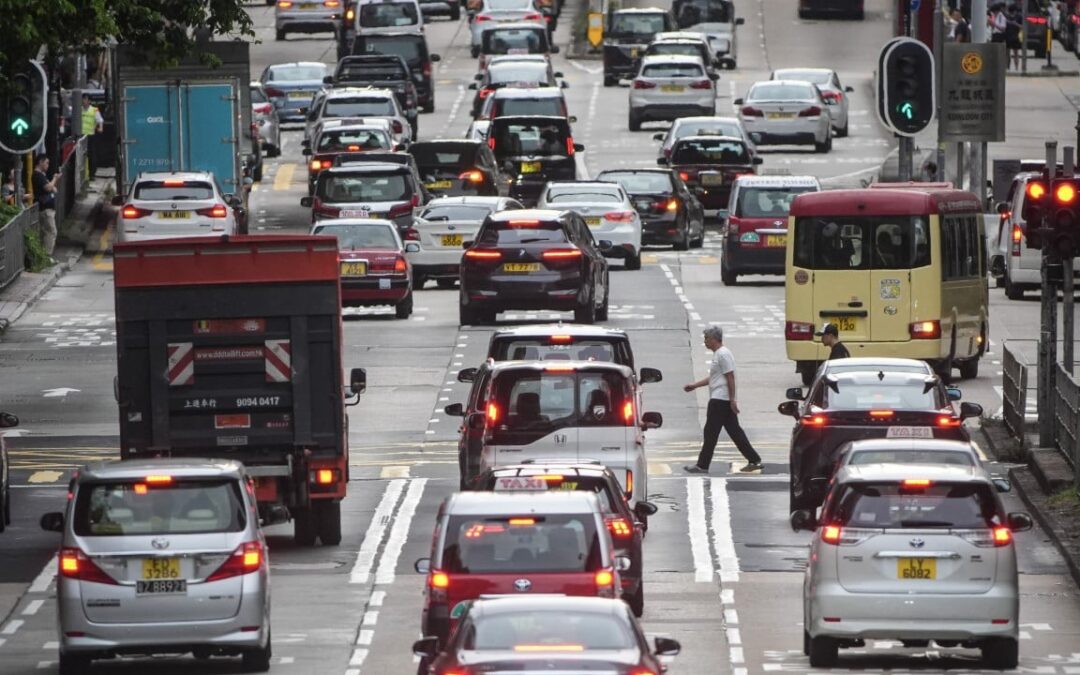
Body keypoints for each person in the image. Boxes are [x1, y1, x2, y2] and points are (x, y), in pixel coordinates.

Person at [683, 326, 762, 474]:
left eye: (706, 338)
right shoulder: (719, 354)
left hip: (720, 400)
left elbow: (730, 377)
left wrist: (732, 399)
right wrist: (695, 385)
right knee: (735, 432)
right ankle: (754, 459)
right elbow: (715, 378)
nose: (705, 341)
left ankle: (702, 465)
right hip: (722, 400)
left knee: (710, 433)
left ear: (714, 339)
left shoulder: (723, 354)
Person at [31, 155, 58, 260]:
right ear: (40, 162)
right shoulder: (37, 175)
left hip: (48, 208)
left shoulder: (42, 175)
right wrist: (55, 178)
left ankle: (43, 256)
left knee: (46, 232)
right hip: (45, 208)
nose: (48, 165)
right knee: (51, 231)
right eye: (46, 163)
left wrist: (52, 185)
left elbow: (53, 189)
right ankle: (47, 256)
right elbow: (48, 188)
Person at [80, 94, 104, 179]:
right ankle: (81, 175)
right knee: (80, 156)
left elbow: (100, 120)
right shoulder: (79, 110)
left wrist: (100, 127)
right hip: (80, 136)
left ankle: (92, 174)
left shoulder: (94, 110)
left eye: (85, 99)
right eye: (83, 99)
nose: (84, 101)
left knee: (91, 156)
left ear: (89, 101)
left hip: (90, 135)